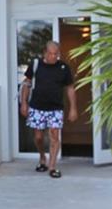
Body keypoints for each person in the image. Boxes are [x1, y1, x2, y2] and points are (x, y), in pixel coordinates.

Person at [20, 39, 78, 178]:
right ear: (44, 52)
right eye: (51, 53)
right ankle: (42, 157)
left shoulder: (63, 67)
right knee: (38, 137)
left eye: (56, 54)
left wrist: (73, 108)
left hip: (56, 108)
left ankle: (52, 167)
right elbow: (27, 84)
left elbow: (70, 88)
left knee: (54, 136)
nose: (53, 56)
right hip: (37, 107)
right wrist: (24, 103)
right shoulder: (35, 65)